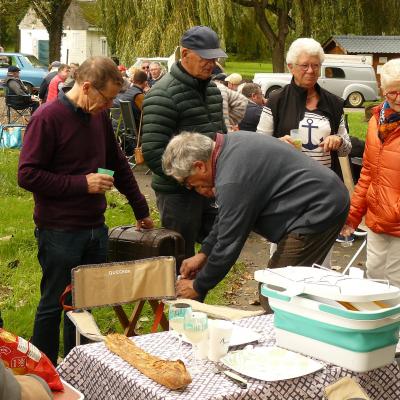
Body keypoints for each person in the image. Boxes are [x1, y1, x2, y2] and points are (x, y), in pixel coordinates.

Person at [18, 56, 154, 366]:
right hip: (59, 230)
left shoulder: (98, 117)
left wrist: (140, 208)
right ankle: (45, 373)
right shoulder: (47, 118)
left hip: (95, 227)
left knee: (83, 305)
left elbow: (119, 163)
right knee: (55, 303)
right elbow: (27, 175)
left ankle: (75, 369)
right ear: (87, 87)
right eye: (106, 98)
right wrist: (82, 184)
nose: (109, 106)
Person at [162, 132, 349, 300]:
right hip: (317, 200)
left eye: (188, 182)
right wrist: (204, 253)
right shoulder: (229, 146)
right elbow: (227, 218)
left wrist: (198, 285)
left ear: (199, 166)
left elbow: (229, 242)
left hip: (319, 208)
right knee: (286, 289)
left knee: (275, 292)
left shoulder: (232, 179)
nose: (192, 188)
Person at [142, 25, 227, 259]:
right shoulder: (162, 95)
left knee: (217, 249)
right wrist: (193, 182)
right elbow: (153, 152)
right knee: (179, 256)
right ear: (185, 53)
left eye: (214, 58)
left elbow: (220, 136)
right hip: (177, 193)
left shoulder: (212, 91)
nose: (211, 64)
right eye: (205, 58)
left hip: (210, 187)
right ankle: (176, 295)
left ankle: (197, 294)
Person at [341, 58, 400, 288]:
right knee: (374, 277)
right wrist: (353, 217)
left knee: (395, 282)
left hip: (397, 220)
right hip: (377, 219)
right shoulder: (377, 121)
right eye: (393, 92)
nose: (398, 98)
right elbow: (368, 173)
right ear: (383, 90)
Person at [257, 38, 351, 169]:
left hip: (323, 182)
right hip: (288, 182)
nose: (311, 71)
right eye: (305, 65)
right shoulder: (276, 100)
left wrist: (339, 141)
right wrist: (278, 144)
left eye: (316, 65)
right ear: (291, 67)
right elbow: (259, 146)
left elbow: (346, 150)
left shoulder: (334, 103)